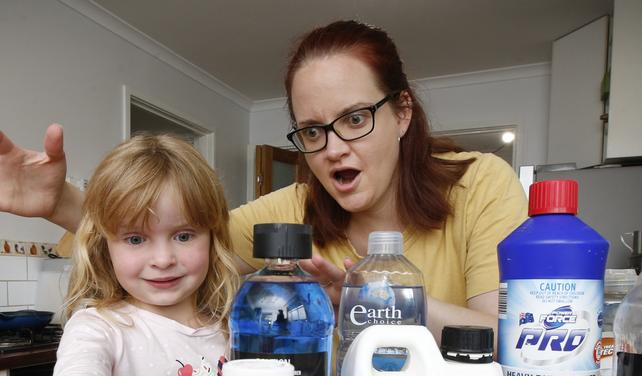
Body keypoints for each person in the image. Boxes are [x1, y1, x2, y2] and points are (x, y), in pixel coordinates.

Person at [0, 20, 527, 345]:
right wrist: (60, 200)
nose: (334, 147)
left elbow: (505, 337)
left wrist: (376, 299)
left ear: (402, 113)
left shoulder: (481, 186)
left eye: (356, 118)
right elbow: (174, 235)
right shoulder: (293, 207)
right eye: (313, 130)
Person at [40, 134, 239, 376]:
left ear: (212, 236)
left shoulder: (232, 330)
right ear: (106, 247)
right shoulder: (99, 327)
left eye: (184, 235)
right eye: (135, 239)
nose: (163, 260)